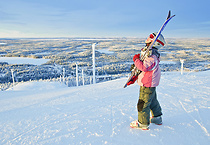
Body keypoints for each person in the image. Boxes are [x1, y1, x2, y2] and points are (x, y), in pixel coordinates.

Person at [129, 32, 165, 130]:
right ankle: (157, 118)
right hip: (151, 83)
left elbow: (144, 67)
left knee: (143, 103)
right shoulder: (153, 54)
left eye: (150, 38)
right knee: (152, 101)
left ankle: (143, 123)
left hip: (147, 83)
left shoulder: (152, 56)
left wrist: (136, 60)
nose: (147, 39)